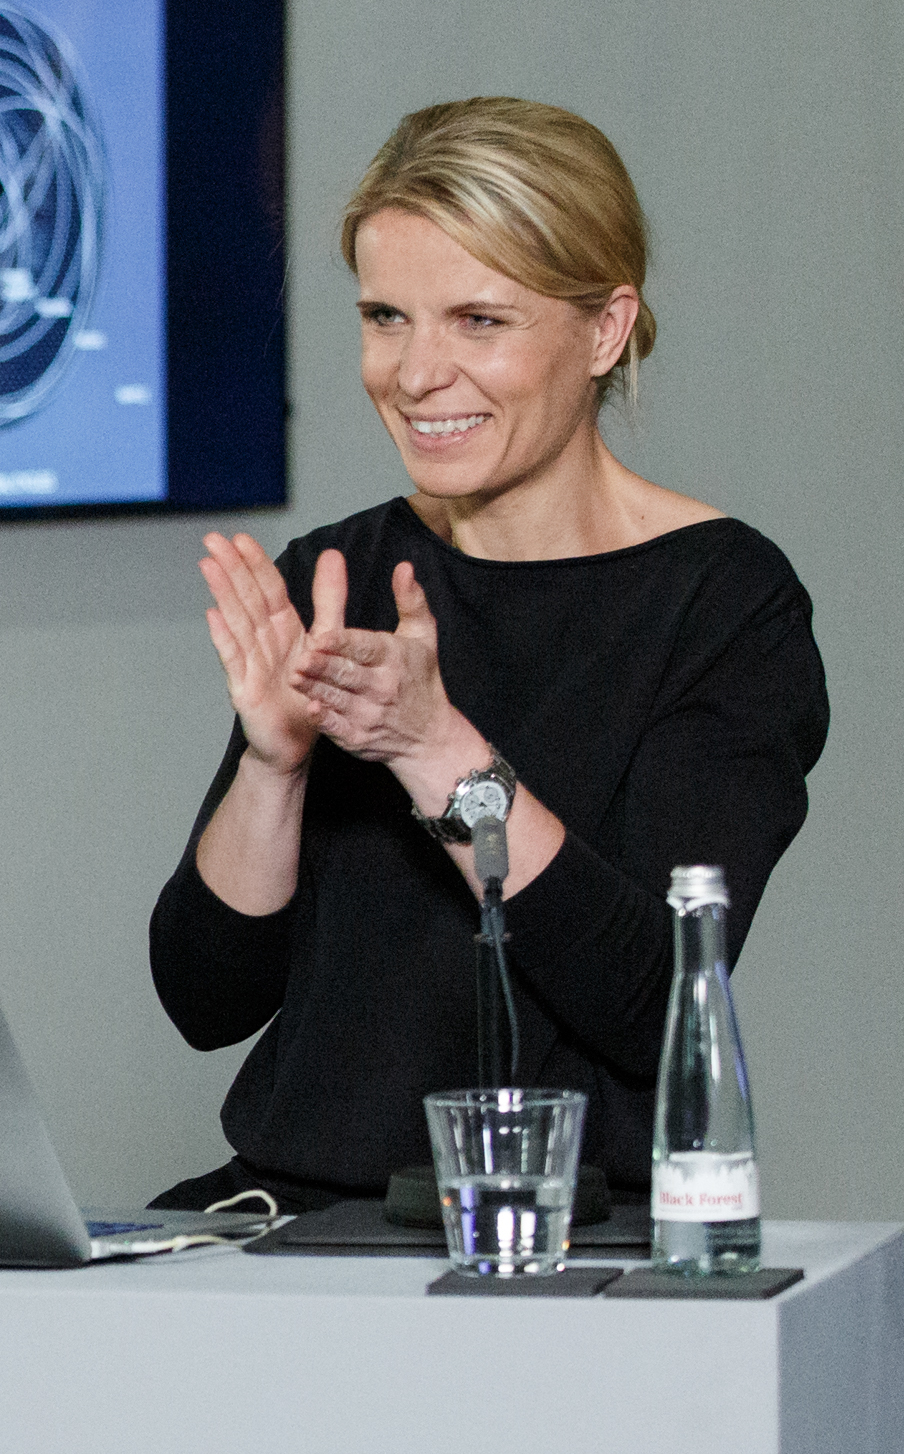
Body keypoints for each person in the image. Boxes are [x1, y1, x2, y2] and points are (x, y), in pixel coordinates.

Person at [145, 97, 830, 1211]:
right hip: (285, 1223)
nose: (414, 374)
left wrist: (434, 749)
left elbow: (658, 1001)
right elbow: (203, 1000)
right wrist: (273, 766)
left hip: (547, 1240)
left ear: (604, 330)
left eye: (478, 321)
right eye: (384, 318)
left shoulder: (720, 604)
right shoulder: (337, 574)